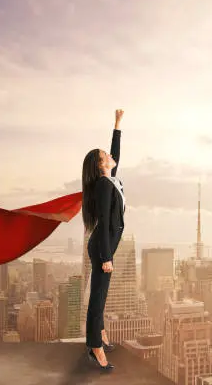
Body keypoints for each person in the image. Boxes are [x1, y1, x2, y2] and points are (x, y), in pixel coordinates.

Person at [82, 109, 125, 371]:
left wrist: (117, 125)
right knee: (98, 297)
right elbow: (106, 223)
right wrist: (107, 257)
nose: (110, 157)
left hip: (104, 246)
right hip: (101, 249)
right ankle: (94, 346)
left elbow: (116, 153)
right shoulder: (103, 185)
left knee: (102, 294)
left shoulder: (110, 178)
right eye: (104, 157)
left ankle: (100, 334)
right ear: (100, 165)